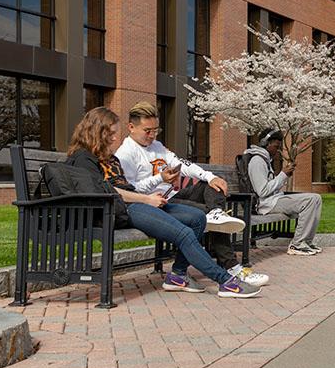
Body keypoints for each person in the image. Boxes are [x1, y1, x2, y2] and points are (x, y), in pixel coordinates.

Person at [65, 107, 261, 298]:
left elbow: (122, 186)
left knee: (198, 218)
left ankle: (177, 275)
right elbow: (105, 192)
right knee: (183, 233)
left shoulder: (107, 156)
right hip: (122, 210)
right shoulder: (83, 159)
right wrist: (147, 198)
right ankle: (225, 281)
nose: (115, 138)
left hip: (136, 203)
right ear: (95, 132)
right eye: (110, 134)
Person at [115, 102, 268, 288]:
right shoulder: (125, 153)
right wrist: (159, 179)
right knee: (201, 215)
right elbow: (131, 192)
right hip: (152, 205)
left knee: (211, 187)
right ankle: (231, 268)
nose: (152, 135)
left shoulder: (157, 146)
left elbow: (183, 164)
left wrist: (210, 176)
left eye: (156, 130)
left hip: (173, 196)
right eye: (147, 131)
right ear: (131, 127)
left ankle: (216, 213)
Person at [245, 129, 324, 255]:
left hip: (275, 200)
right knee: (311, 200)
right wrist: (282, 175)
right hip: (265, 204)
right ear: (267, 143)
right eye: (276, 146)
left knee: (317, 199)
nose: (278, 150)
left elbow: (271, 186)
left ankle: (306, 241)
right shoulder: (257, 161)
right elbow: (262, 191)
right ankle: (297, 244)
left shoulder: (266, 160)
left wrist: (284, 175)